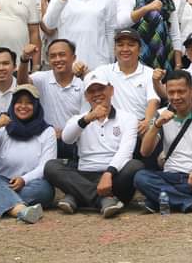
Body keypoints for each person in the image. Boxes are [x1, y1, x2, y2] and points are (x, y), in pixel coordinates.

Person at [45, 69, 144, 216]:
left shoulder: (128, 118)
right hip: (84, 174)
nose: (96, 94)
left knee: (135, 166)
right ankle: (104, 199)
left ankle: (77, 196)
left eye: (101, 89)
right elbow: (66, 138)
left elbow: (126, 151)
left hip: (114, 177)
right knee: (51, 166)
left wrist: (108, 173)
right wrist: (87, 119)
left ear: (111, 90)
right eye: (91, 91)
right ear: (86, 96)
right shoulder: (79, 119)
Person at [134, 70, 192, 213]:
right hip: (170, 175)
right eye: (171, 92)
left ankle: (161, 198)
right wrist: (157, 125)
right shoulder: (161, 114)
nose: (176, 97)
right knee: (141, 177)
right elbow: (145, 151)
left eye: (181, 92)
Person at [0, 84, 56, 224]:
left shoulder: (47, 131)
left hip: (31, 183)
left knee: (44, 191)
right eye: (19, 102)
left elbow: (46, 165)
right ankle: (21, 210)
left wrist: (24, 179)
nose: (23, 106)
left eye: (29, 103)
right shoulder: (3, 126)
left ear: (36, 105)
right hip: (3, 180)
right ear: (13, 104)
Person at [18, 40, 83, 161]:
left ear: (73, 57)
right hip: (47, 140)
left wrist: (66, 133)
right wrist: (24, 59)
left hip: (77, 142)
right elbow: (22, 84)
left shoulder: (82, 82)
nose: (57, 59)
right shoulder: (41, 77)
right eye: (53, 56)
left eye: (62, 55)